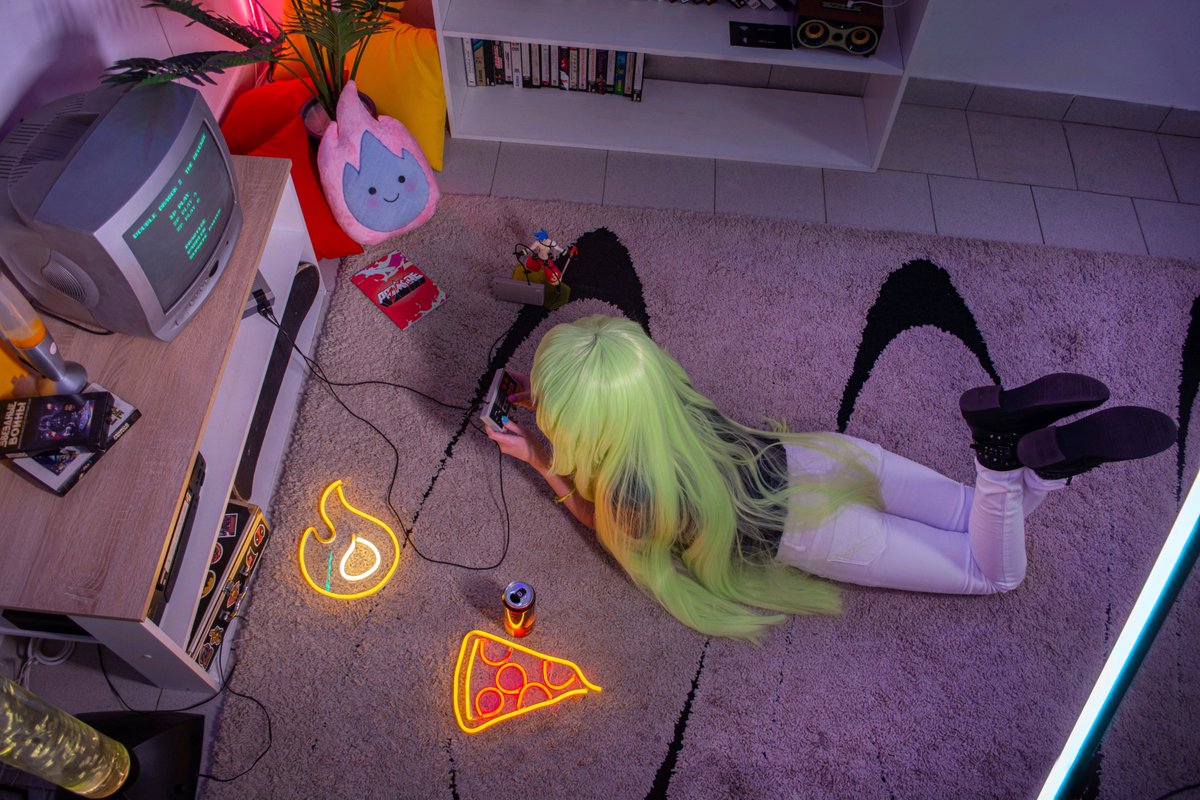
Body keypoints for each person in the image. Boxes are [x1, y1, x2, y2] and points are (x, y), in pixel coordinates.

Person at [484, 314, 1178, 641]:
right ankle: (1048, 461)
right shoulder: (661, 398)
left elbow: (608, 528)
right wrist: (554, 409)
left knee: (993, 573)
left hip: (818, 531)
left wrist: (543, 461)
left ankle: (1004, 452)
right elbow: (616, 401)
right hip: (820, 457)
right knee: (978, 513)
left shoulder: (632, 494)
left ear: (585, 418)